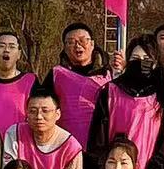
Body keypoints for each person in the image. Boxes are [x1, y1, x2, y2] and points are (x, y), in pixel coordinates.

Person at [87, 35, 164, 169]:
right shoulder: (110, 91)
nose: (140, 63)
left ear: (155, 62)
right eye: (135, 59)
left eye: (146, 59)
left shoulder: (162, 97)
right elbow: (98, 139)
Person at [40, 22, 111, 150]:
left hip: (102, 147)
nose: (78, 45)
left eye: (83, 40)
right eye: (71, 42)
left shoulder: (108, 74)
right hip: (65, 146)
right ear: (65, 48)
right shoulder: (56, 74)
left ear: (92, 44)